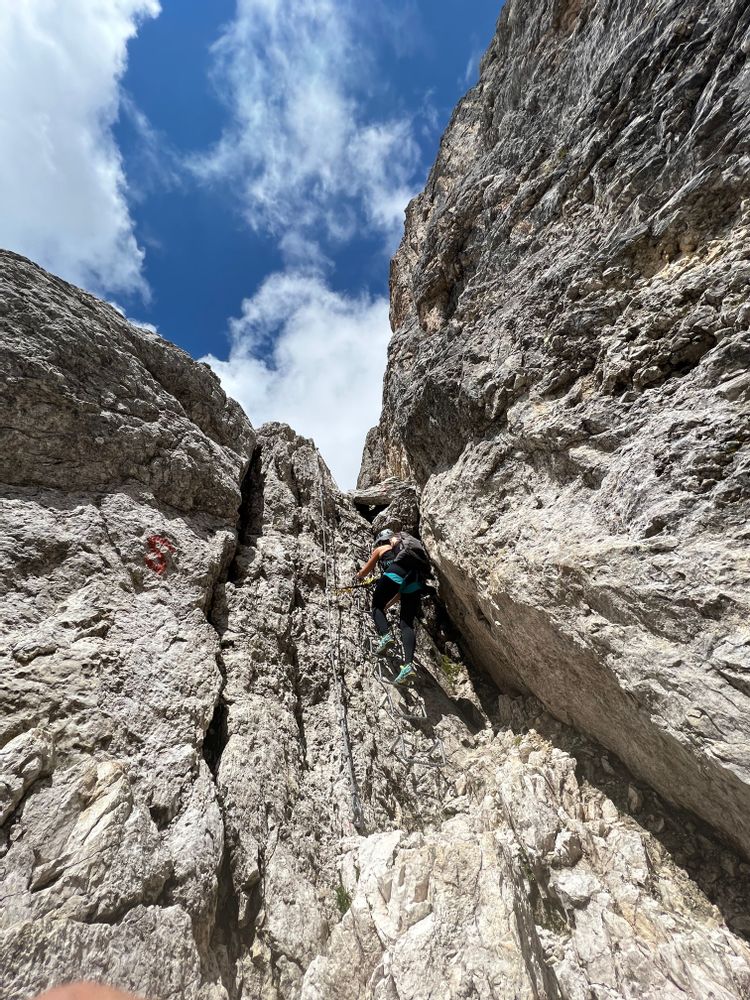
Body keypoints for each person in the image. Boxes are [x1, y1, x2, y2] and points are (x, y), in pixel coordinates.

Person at [356, 528, 430, 685]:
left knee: (376, 606)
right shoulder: (408, 553)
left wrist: (358, 576)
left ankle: (385, 636)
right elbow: (400, 592)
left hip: (395, 573)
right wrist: (387, 606)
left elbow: (365, 571)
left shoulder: (382, 548)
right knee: (406, 623)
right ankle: (408, 666)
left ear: (382, 541)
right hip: (415, 581)